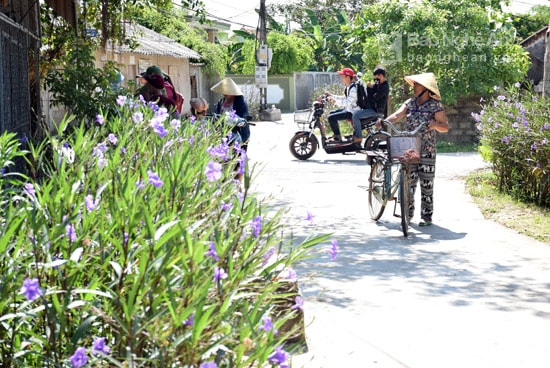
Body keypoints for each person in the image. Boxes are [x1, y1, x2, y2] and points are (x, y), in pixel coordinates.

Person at [384, 72, 449, 227]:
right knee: (408, 183)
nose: (414, 87)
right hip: (410, 150)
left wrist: (434, 125)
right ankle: (408, 214)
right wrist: (384, 121)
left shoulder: (435, 106)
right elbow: (397, 115)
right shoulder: (410, 103)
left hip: (427, 149)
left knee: (426, 185)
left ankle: (426, 217)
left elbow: (445, 127)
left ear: (426, 89)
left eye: (417, 85)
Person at [351, 66, 390, 144]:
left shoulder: (384, 87)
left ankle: (359, 137)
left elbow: (374, 97)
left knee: (355, 116)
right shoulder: (378, 84)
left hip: (376, 111)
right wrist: (370, 88)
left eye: (377, 77)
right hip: (372, 108)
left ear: (381, 76)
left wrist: (369, 89)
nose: (375, 79)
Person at [211, 77, 251, 150]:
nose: (224, 94)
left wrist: (236, 119)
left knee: (239, 151)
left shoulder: (240, 101)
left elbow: (243, 116)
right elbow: (217, 113)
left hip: (237, 129)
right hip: (223, 130)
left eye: (227, 91)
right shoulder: (222, 101)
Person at [325, 67, 360, 142]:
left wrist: (334, 100)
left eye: (342, 76)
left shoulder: (353, 89)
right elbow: (343, 98)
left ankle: (337, 137)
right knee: (331, 113)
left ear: (347, 77)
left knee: (331, 118)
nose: (341, 77)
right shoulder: (348, 87)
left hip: (352, 112)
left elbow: (347, 103)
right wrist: (332, 95)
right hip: (349, 109)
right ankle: (337, 135)